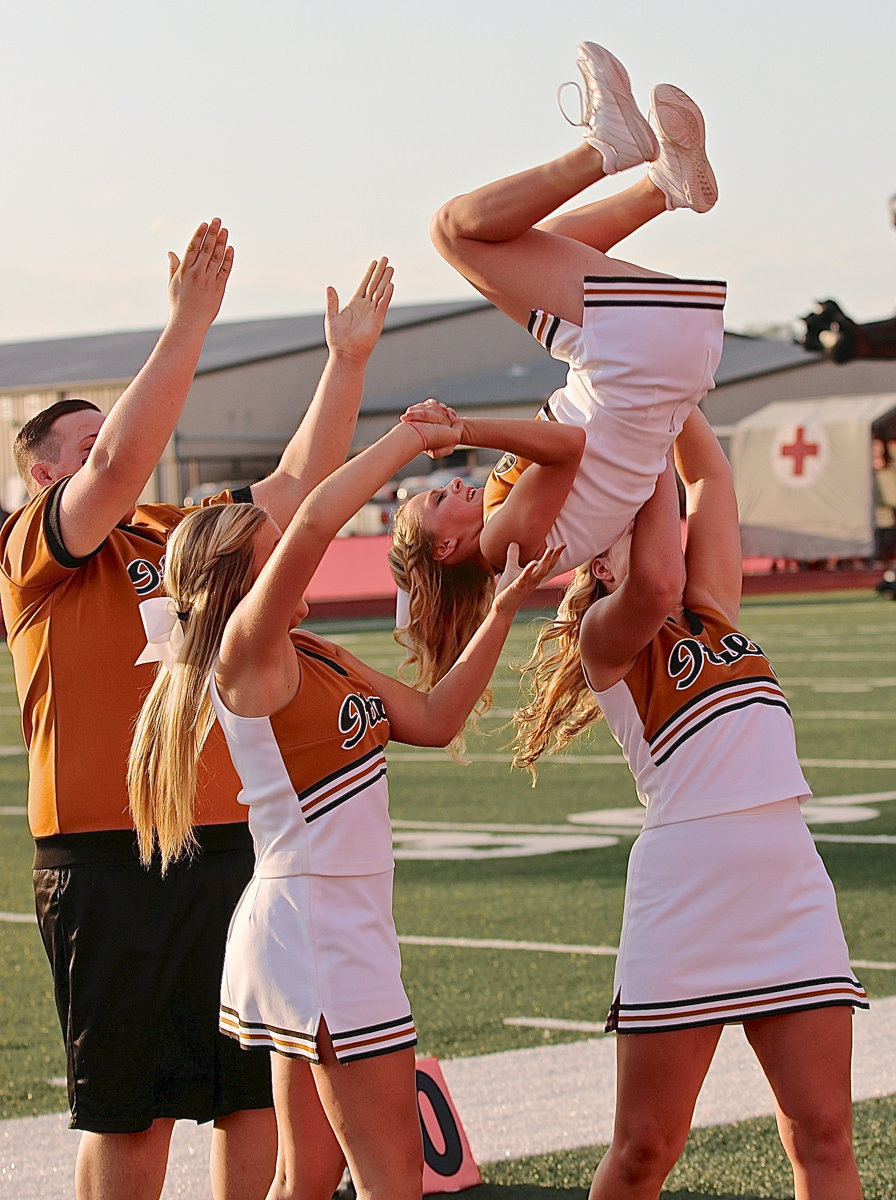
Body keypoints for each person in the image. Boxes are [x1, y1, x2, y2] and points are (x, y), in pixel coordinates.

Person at [0, 228, 396, 1200]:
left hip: (226, 839)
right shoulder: (34, 549)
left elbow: (294, 491)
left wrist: (344, 364)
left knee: (248, 1098)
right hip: (106, 853)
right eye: (84, 447)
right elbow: (126, 457)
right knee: (130, 1117)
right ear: (44, 475)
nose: (116, 451)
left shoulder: (174, 537)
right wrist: (187, 323)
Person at [126, 407, 562, 1200]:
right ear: (248, 577)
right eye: (276, 550)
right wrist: (414, 439)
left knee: (306, 1178)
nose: (297, 557)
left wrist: (499, 614)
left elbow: (433, 720)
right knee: (390, 1177)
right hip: (317, 921)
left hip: (325, 919)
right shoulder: (245, 649)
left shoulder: (308, 650)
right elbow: (322, 515)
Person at [512, 407, 868, 1200]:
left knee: (826, 1131)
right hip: (687, 889)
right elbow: (660, 576)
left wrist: (660, 387)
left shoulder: (714, 611)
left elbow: (709, 476)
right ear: (602, 570)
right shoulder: (607, 641)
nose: (665, 521)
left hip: (787, 877)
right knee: (645, 1147)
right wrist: (633, 448)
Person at [388, 41, 724, 699]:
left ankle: (661, 185)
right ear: (445, 550)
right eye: (435, 502)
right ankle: (606, 150)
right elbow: (567, 448)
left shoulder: (515, 543)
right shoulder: (501, 551)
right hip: (636, 359)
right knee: (454, 232)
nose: (450, 487)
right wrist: (461, 430)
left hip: (663, 368)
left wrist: (661, 420)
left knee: (538, 245)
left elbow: (621, 481)